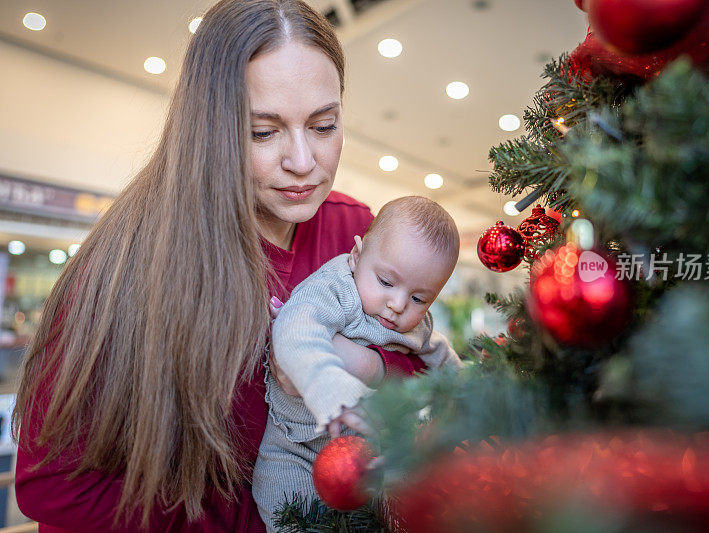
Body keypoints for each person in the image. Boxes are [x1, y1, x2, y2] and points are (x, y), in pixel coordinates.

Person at [12, 0, 429, 531]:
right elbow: (53, 484)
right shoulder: (130, 260)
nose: (303, 162)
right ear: (210, 127)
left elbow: (418, 367)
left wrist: (358, 363)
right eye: (263, 132)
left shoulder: (353, 233)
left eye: (324, 126)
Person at [253, 196, 464, 529]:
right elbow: (296, 331)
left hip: (370, 459)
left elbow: (442, 359)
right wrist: (329, 385)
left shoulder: (417, 326)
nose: (396, 304)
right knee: (284, 507)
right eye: (386, 282)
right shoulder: (335, 288)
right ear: (356, 256)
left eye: (419, 298)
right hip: (295, 449)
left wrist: (469, 396)